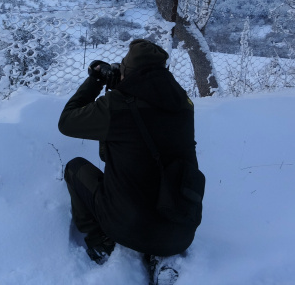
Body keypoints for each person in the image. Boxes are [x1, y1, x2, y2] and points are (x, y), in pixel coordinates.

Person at [58, 39, 205, 284]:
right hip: (181, 226)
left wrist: (97, 80)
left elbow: (67, 121)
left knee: (75, 168)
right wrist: (121, 88)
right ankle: (161, 257)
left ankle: (100, 242)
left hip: (127, 227)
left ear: (128, 72)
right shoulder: (183, 105)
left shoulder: (116, 107)